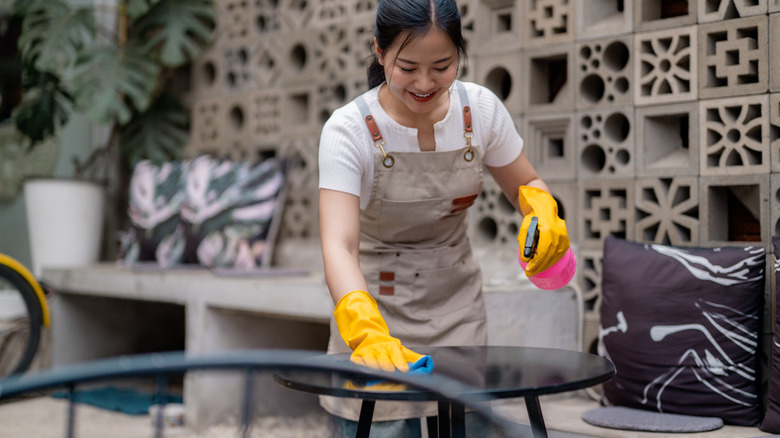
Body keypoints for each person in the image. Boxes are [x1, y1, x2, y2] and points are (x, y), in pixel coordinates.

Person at [317, 0, 571, 434]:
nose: (424, 83)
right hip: (375, 303)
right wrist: (365, 330)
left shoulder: (481, 112)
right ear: (379, 52)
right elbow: (339, 245)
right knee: (382, 424)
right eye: (408, 67)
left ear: (460, 54)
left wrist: (543, 213)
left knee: (464, 424)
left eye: (441, 66)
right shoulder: (349, 130)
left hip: (457, 304)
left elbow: (526, 184)